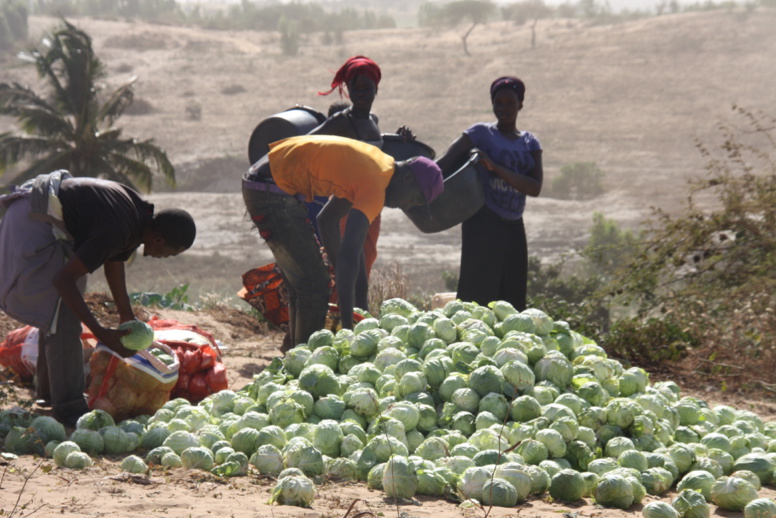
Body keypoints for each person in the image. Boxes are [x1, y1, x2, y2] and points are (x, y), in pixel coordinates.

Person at [0, 171, 197, 426]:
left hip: (42, 215)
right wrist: (101, 332)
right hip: (33, 221)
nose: (163, 258)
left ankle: (49, 393)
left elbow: (114, 262)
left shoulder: (138, 220)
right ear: (158, 239)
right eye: (168, 254)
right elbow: (63, 280)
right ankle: (68, 408)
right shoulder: (117, 227)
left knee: (58, 313)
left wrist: (125, 314)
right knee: (63, 316)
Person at [242, 135, 443, 348]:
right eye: (414, 199)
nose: (408, 205)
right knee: (315, 286)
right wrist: (349, 327)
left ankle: (296, 355)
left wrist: (344, 276)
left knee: (303, 284)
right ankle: (304, 363)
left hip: (263, 179)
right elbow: (349, 255)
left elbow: (327, 220)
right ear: (408, 179)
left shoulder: (378, 165)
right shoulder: (376, 185)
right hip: (272, 188)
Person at [435, 76, 543, 311]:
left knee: (512, 300)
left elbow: (534, 187)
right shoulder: (480, 133)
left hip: (514, 226)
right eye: (498, 103)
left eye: (509, 103)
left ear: (520, 104)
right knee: (476, 296)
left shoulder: (530, 142)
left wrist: (496, 168)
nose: (503, 108)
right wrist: (416, 170)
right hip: (483, 221)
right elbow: (444, 164)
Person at [310, 55, 414, 278]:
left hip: (372, 201)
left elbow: (375, 155)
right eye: (355, 88)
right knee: (349, 258)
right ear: (347, 89)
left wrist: (400, 138)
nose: (361, 93)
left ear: (376, 88)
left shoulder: (372, 121)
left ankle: (353, 309)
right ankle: (338, 309)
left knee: (365, 258)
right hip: (347, 199)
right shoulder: (341, 121)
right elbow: (308, 143)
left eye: (366, 88)